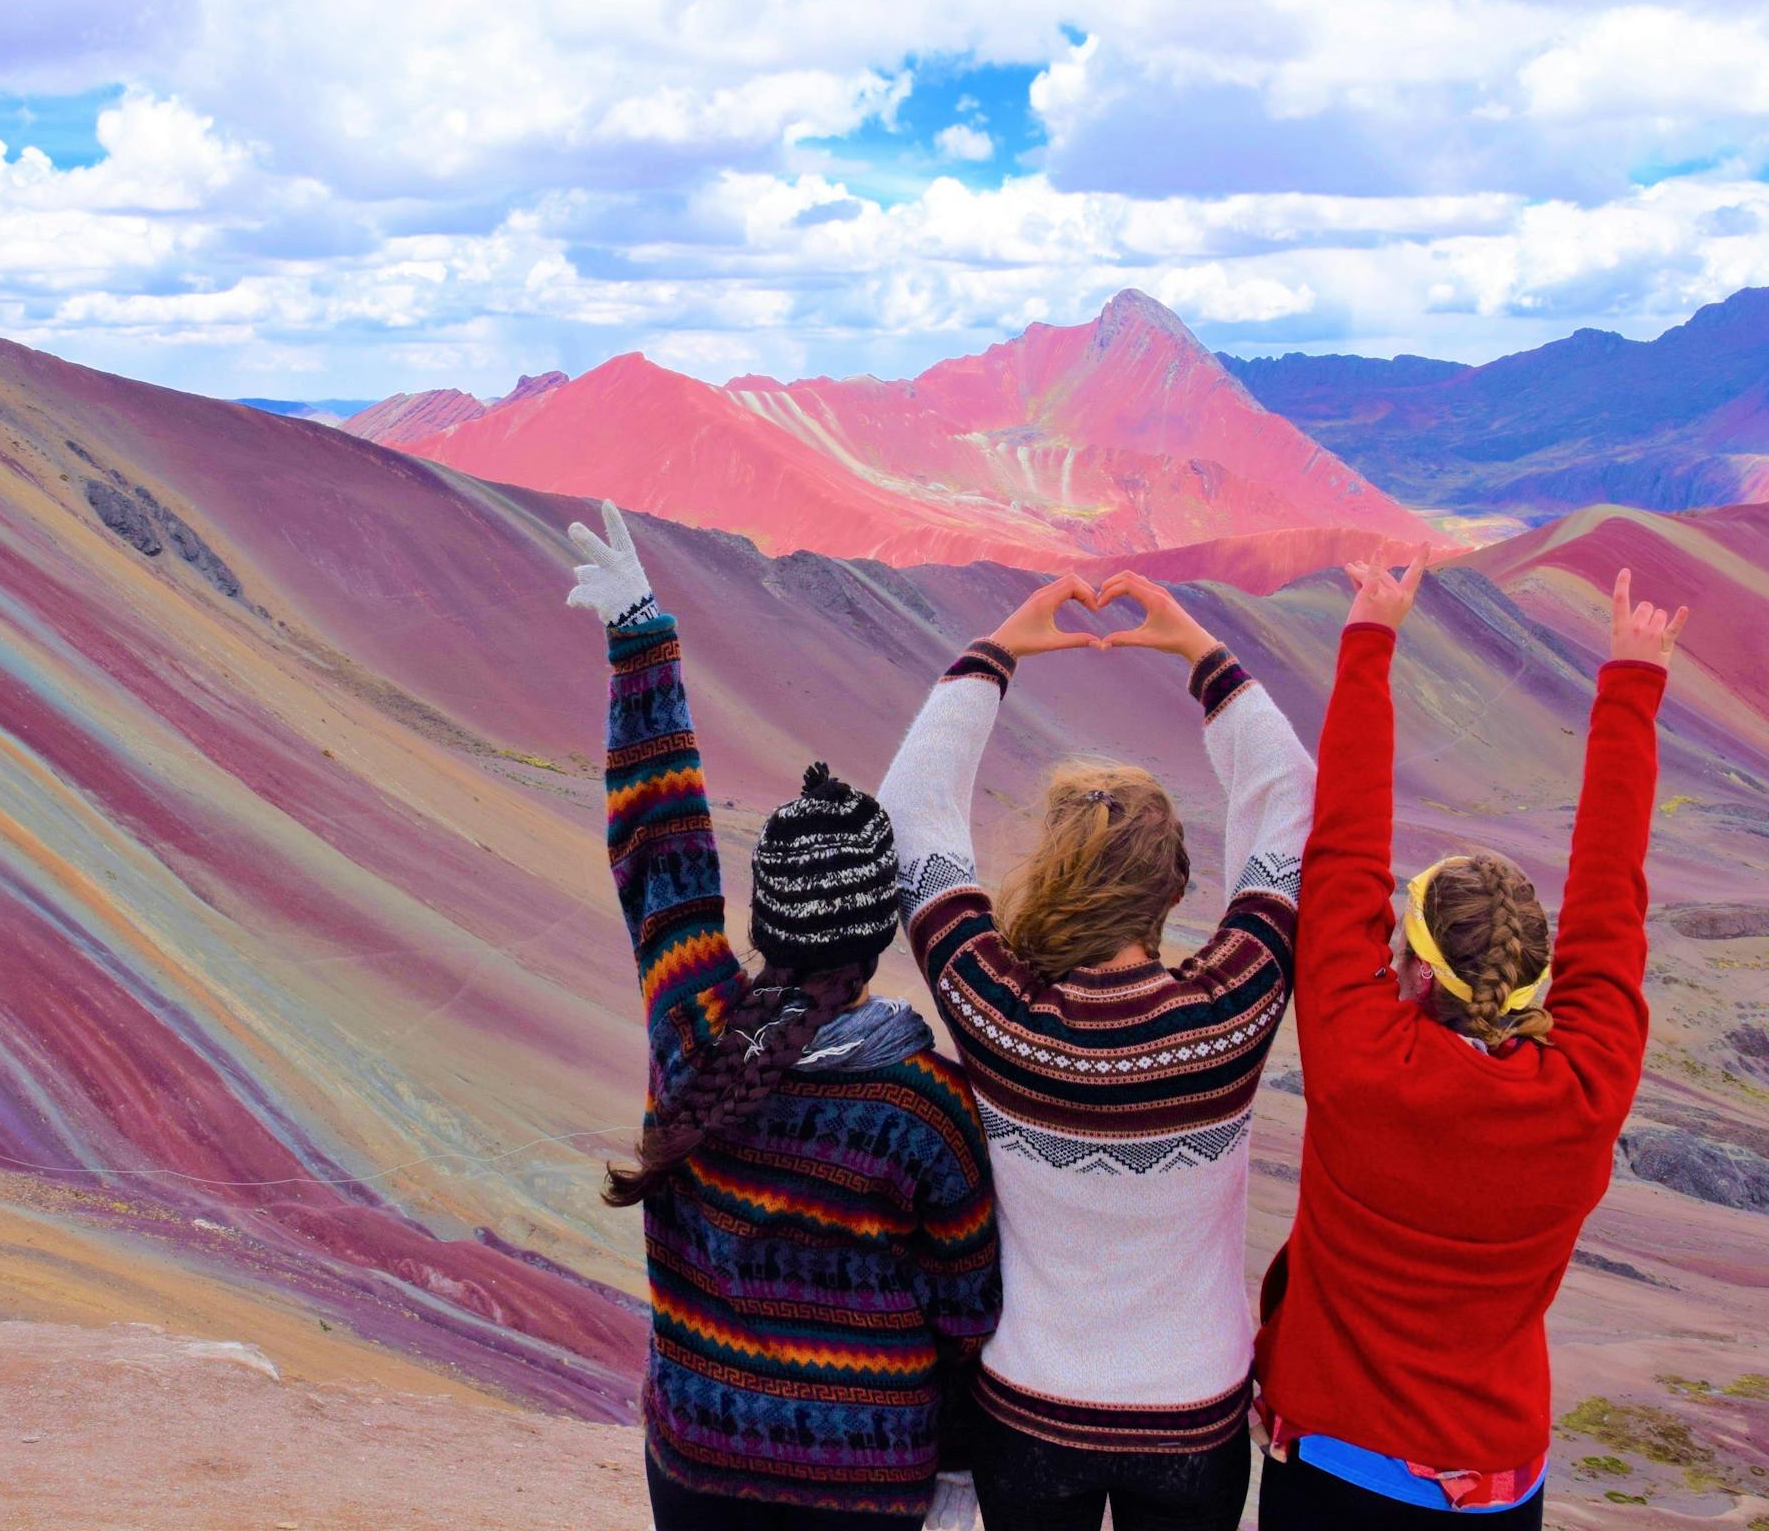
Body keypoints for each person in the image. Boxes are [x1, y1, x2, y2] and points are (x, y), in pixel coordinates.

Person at [567, 501, 1000, 1531]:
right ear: (877, 933)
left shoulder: (691, 1024)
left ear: (764, 915)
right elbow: (968, 1313)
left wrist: (642, 642)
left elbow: (657, 849)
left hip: (697, 1460)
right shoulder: (922, 1105)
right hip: (868, 1483)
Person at [1253, 559, 1686, 1528]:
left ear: (1407, 965)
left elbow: (1338, 852)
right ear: (1536, 978)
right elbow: (1610, 896)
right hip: (1494, 1486)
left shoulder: (1360, 1058)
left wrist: (1368, 634)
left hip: (1330, 1468)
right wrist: (1629, 685)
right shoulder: (1578, 1092)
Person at [879, 571, 1314, 1531]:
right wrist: (1203, 653)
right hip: (1193, 1423)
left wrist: (995, 654)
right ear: (1174, 886)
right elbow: (1291, 809)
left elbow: (912, 817)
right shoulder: (1232, 1012)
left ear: (1054, 869)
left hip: (1029, 1414)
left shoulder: (1000, 1013)